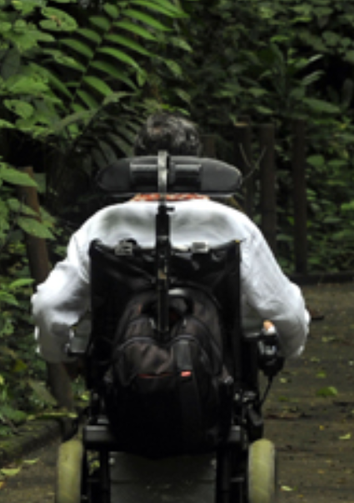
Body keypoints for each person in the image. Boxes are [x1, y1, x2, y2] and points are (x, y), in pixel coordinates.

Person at [32, 112, 311, 366]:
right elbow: (286, 309)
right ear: (196, 160)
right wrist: (287, 348)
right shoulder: (229, 224)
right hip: (218, 374)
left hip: (121, 373)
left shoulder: (103, 224)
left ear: (137, 160)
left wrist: (61, 355)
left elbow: (50, 304)